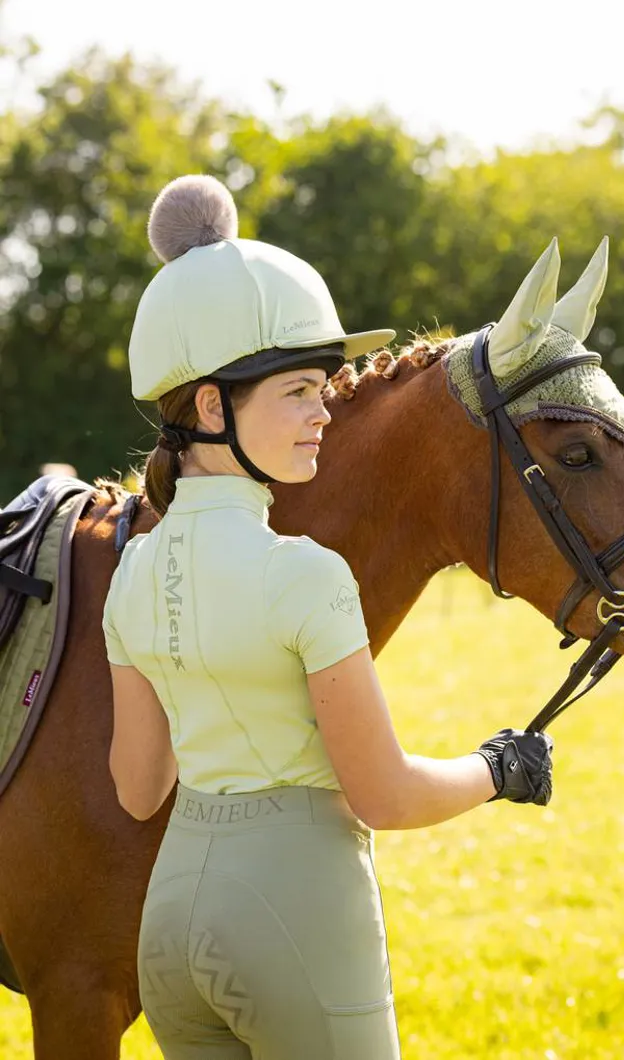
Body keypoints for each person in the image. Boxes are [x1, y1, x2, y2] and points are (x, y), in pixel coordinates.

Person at [103, 174, 554, 1060]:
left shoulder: (135, 570)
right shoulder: (306, 575)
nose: (325, 413)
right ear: (211, 407)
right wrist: (498, 768)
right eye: (299, 392)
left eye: (325, 388)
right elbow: (383, 796)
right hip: (294, 918)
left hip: (171, 931)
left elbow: (138, 788)